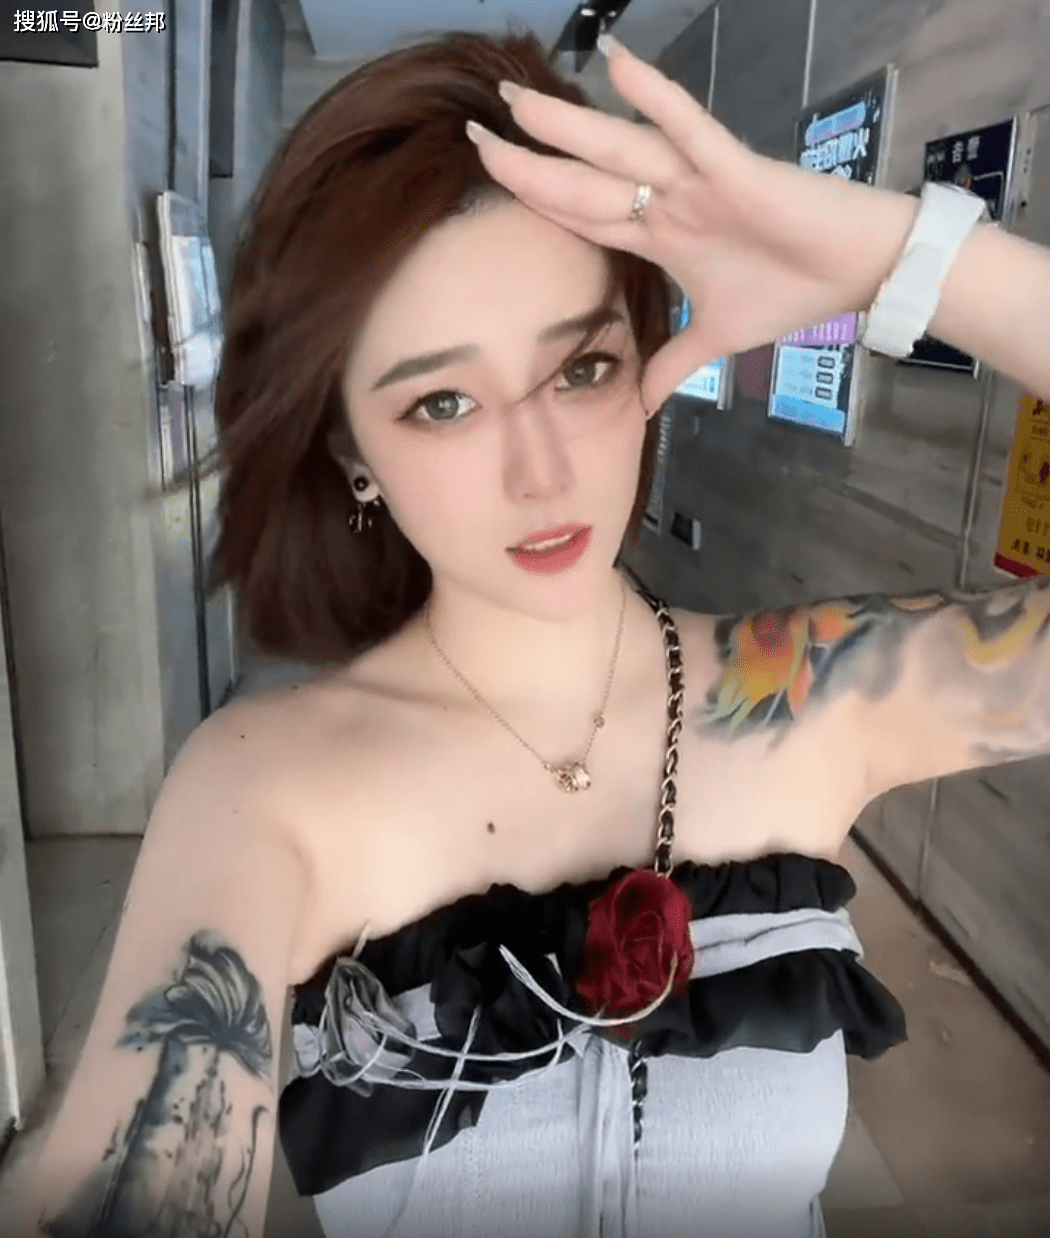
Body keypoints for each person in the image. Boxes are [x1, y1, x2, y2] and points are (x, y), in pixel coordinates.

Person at [10, 26, 1050, 1238]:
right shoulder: (265, 790)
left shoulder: (808, 696)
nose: (541, 471)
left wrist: (902, 255)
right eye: (443, 400)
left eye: (582, 369)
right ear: (349, 446)